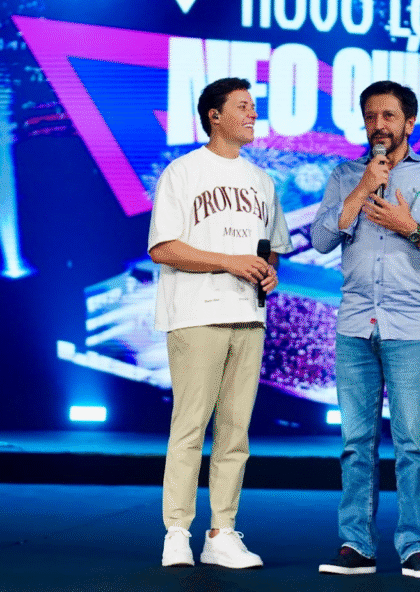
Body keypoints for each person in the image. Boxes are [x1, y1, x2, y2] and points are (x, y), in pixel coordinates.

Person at [312, 80, 420, 578]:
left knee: (412, 445)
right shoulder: (344, 175)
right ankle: (356, 544)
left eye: (388, 116)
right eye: (370, 116)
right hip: (355, 324)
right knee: (356, 444)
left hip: (411, 327)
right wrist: (361, 189)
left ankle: (414, 544)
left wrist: (411, 228)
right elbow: (319, 240)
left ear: (409, 123)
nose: (378, 125)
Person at [148, 77, 291, 569]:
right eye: (243, 107)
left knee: (235, 433)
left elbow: (272, 248)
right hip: (196, 314)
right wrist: (228, 262)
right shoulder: (183, 171)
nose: (253, 115)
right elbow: (163, 247)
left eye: (253, 107)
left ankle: (221, 533)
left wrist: (268, 270)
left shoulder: (262, 180)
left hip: (248, 315)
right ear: (214, 115)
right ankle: (176, 532)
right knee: (189, 428)